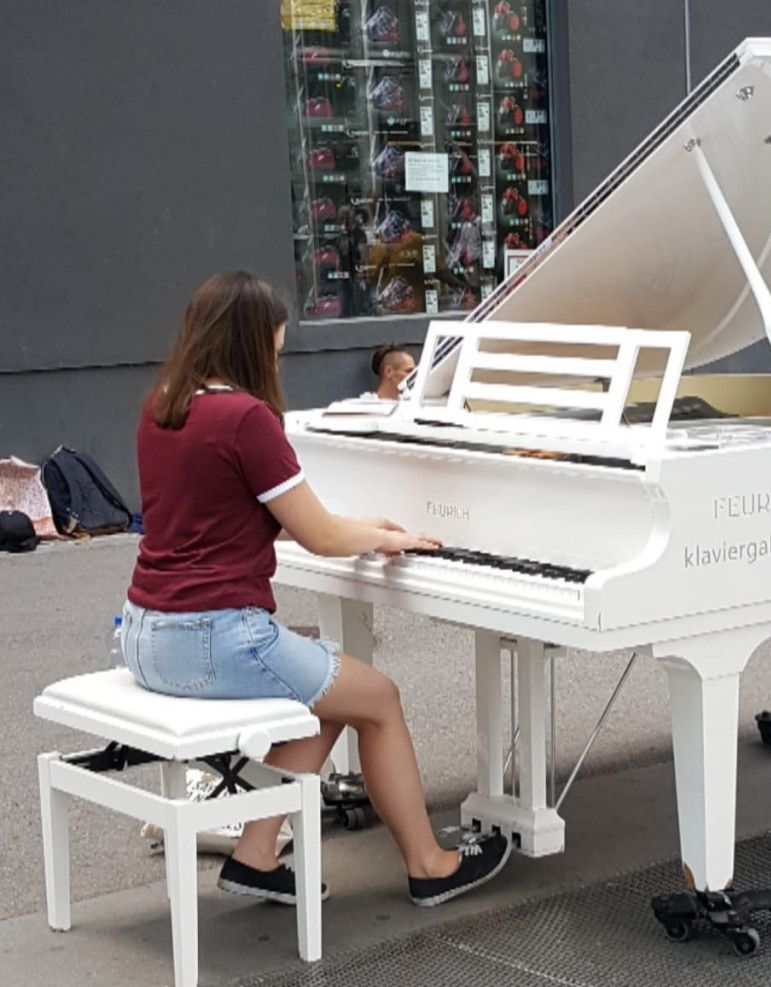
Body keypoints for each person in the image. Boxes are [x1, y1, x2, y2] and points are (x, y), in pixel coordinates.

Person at [121, 270, 510, 907]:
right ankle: (429, 864)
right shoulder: (245, 418)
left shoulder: (164, 402)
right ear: (249, 345)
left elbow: (247, 517)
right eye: (274, 346)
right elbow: (319, 537)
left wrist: (370, 527)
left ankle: (254, 855)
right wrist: (384, 540)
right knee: (379, 697)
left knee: (328, 685)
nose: (278, 358)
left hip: (146, 633)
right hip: (212, 639)